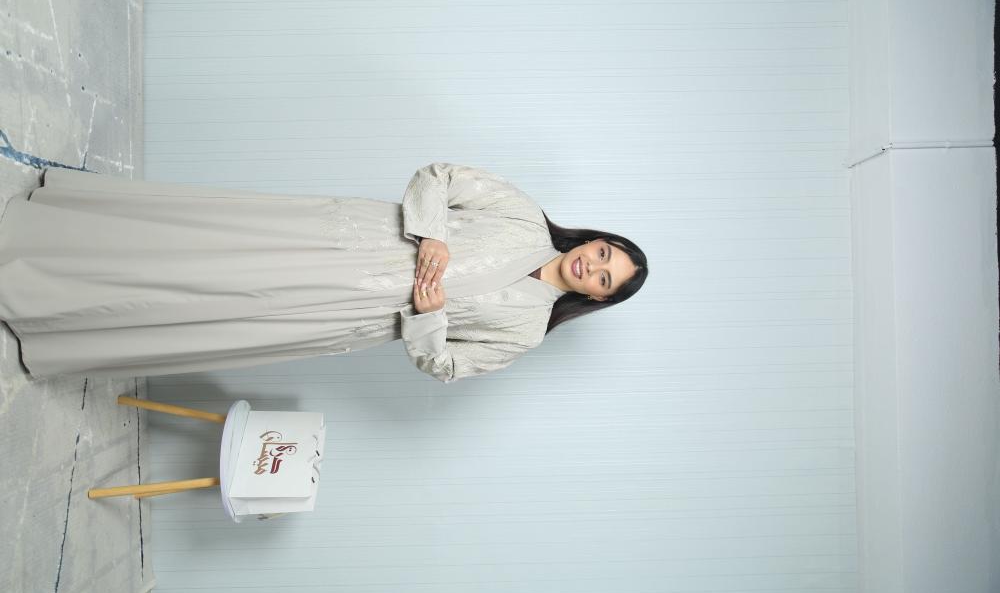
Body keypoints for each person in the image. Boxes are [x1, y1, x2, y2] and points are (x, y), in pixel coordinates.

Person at [0, 162, 647, 382]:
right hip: (345, 238)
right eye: (604, 253)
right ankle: (57, 235)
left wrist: (430, 320)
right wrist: (434, 234)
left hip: (353, 312)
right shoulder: (521, 213)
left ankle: (54, 313)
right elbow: (439, 176)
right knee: (213, 250)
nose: (593, 265)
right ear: (595, 239)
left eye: (604, 278)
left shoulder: (527, 331)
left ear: (597, 298)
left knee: (217, 303)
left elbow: (447, 365)